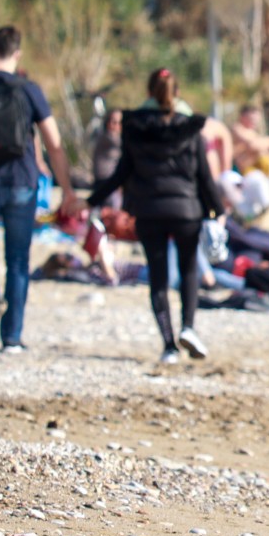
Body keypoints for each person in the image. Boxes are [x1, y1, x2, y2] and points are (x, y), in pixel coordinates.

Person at [0, 25, 82, 353]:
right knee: (18, 260)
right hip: (21, 182)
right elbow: (55, 144)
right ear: (17, 53)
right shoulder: (29, 89)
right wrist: (67, 191)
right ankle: (12, 338)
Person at [88, 69, 226, 364]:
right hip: (187, 210)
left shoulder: (135, 127)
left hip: (149, 211)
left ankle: (168, 346)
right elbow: (204, 176)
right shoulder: (190, 128)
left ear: (149, 93)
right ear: (176, 95)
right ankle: (188, 327)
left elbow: (121, 173)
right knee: (189, 270)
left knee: (159, 277)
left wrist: (90, 200)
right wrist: (219, 211)